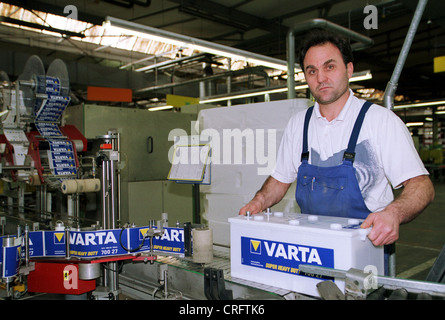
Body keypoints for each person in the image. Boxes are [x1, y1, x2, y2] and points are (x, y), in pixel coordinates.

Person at [239, 29, 434, 247]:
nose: (321, 78)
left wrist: (393, 213)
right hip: (310, 248)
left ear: (349, 70)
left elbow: (421, 185)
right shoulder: (298, 124)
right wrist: (259, 201)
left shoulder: (380, 121)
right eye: (311, 71)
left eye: (329, 67)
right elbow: (280, 179)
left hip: (367, 249)